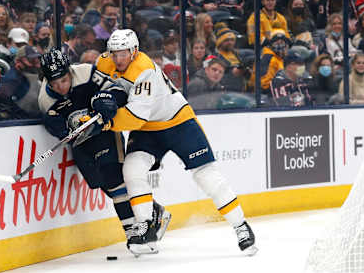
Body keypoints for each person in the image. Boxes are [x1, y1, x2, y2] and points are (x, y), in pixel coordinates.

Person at [94, 29, 257, 256]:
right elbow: (96, 89)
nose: (118, 58)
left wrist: (103, 123)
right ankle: (146, 227)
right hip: (150, 126)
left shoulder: (145, 70)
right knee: (132, 168)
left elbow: (134, 118)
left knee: (206, 176)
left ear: (134, 51)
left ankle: (241, 226)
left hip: (177, 121)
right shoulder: (104, 62)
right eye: (114, 53)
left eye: (123, 53)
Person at [37, 48, 171, 244]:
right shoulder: (45, 99)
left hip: (105, 132)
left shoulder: (86, 72)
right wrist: (60, 129)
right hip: (81, 143)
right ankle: (152, 210)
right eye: (55, 84)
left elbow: (117, 90)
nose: (61, 87)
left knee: (113, 178)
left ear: (70, 71)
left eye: (64, 80)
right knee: (103, 183)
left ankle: (133, 232)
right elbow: (54, 123)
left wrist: (107, 103)